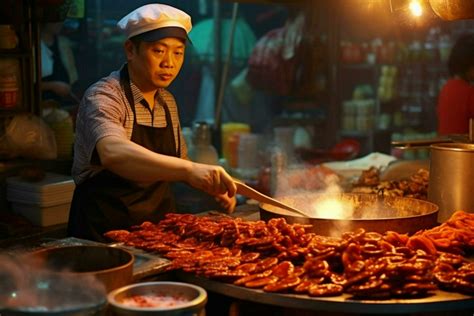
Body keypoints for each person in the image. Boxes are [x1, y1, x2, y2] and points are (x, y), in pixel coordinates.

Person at [67, 3, 237, 242]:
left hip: (157, 238)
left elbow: (177, 164)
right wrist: (189, 171)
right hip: (102, 241)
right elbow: (112, 152)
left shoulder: (167, 102)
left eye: (178, 52)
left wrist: (209, 185)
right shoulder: (103, 96)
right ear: (130, 49)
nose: (169, 62)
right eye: (159, 51)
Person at [436, 33, 474, 135]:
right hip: (464, 150)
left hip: (444, 148)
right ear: (468, 64)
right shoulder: (469, 92)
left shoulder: (446, 87)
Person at [40, 22, 79, 104]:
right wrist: (52, 86)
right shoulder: (34, 45)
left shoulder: (63, 43)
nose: (59, 23)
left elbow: (72, 74)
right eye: (55, 20)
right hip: (41, 104)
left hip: (63, 103)